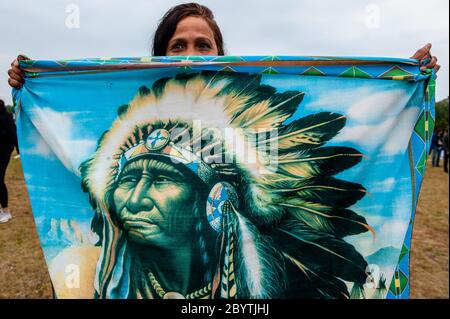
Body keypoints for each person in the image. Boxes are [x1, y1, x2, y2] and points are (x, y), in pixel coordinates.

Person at [6, 2, 441, 88]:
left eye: (202, 43)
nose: (191, 53)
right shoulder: (125, 102)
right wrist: (36, 81)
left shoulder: (253, 99)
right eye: (177, 46)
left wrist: (401, 78)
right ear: (160, 53)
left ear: (220, 52)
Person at [0, 99, 19, 223]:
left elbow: (13, 135)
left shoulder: (5, 118)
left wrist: (19, 151)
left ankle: (6, 211)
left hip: (4, 150)